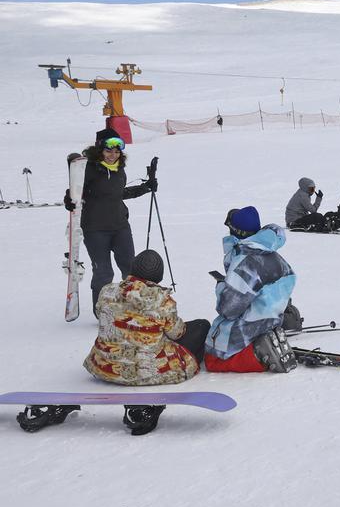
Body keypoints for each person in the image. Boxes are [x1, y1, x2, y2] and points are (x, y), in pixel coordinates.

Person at [84, 249, 209, 386]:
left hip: (104, 366)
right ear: (159, 276)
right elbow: (177, 333)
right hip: (147, 371)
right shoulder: (162, 300)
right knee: (202, 326)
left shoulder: (107, 291)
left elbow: (100, 314)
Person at [64, 131, 156, 315]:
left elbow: (117, 194)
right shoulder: (88, 169)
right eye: (108, 151)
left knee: (130, 267)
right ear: (100, 149)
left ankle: (132, 304)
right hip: (95, 229)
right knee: (104, 272)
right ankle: (102, 310)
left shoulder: (119, 170)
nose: (113, 155)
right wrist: (69, 200)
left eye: (116, 151)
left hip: (120, 226)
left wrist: (144, 188)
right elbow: (74, 191)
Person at [204, 207, 296, 373]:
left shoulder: (245, 263)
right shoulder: (275, 256)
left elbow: (228, 309)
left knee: (212, 360)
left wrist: (221, 287)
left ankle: (258, 354)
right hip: (271, 321)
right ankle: (268, 341)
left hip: (248, 327)